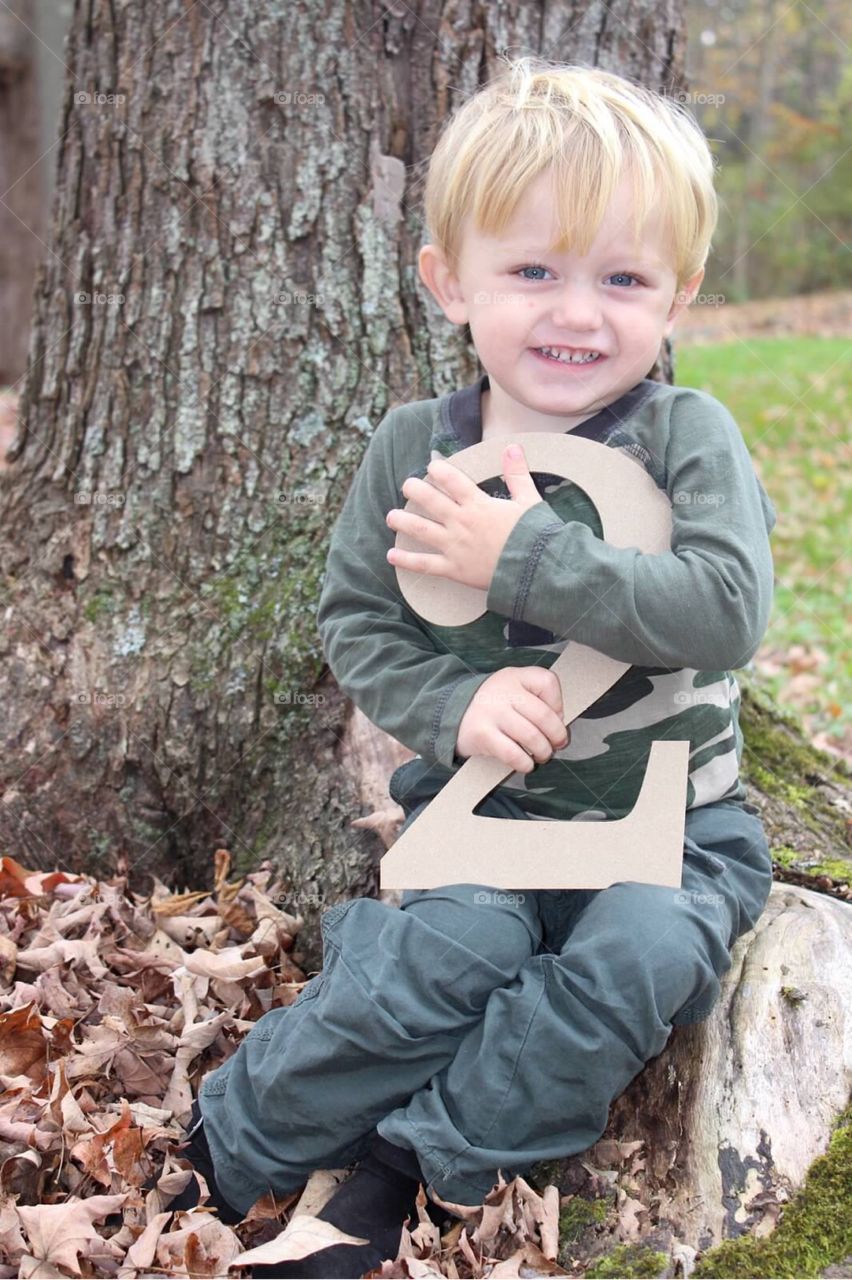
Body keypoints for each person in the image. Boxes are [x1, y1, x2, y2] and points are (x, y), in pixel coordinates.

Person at [170, 55, 777, 1278]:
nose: (577, 311)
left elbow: (725, 609)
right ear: (450, 283)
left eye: (622, 278)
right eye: (534, 270)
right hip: (487, 806)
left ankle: (416, 1160)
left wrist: (525, 556)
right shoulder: (417, 445)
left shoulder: (683, 436)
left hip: (681, 826)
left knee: (640, 957)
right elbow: (359, 617)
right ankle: (228, 1146)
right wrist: (453, 702)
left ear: (680, 295)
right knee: (449, 956)